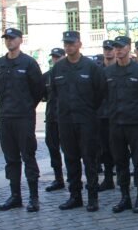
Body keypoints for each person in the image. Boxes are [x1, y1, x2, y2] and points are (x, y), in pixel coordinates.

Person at [50, 31, 105, 212]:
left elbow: (100, 93)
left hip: (87, 120)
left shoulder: (91, 67)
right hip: (66, 121)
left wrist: (89, 112)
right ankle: (75, 196)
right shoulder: (58, 68)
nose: (68, 47)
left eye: (72, 43)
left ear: (79, 44)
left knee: (90, 160)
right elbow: (55, 94)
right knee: (70, 159)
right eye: (66, 43)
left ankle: (92, 197)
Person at [0, 28, 43, 212]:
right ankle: (15, 196)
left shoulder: (29, 63)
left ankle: (34, 197)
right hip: (6, 117)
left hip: (23, 117)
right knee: (11, 159)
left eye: (12, 38)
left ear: (20, 40)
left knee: (28, 157)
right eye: (6, 39)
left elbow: (37, 90)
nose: (9, 41)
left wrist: (27, 107)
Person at [104, 36, 138, 213]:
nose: (118, 50)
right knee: (120, 161)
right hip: (116, 123)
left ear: (128, 48)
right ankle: (125, 196)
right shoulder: (108, 73)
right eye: (115, 47)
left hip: (136, 123)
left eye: (121, 47)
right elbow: (104, 96)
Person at [42, 48, 66, 192]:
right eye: (54, 57)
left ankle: (74, 179)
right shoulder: (47, 76)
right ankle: (58, 178)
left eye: (58, 57)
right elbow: (41, 94)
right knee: (53, 149)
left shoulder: (69, 73)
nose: (56, 60)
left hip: (67, 118)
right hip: (51, 117)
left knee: (71, 151)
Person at [97, 40, 116, 192]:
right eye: (106, 49)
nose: (108, 52)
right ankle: (108, 178)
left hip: (121, 116)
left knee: (122, 150)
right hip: (103, 116)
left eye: (111, 49)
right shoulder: (97, 70)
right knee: (105, 150)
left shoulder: (121, 68)